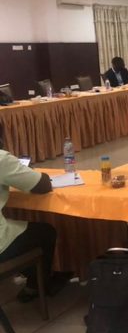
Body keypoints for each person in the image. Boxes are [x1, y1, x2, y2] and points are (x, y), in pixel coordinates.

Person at [0, 123, 67, 303]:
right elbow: (42, 185)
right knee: (45, 232)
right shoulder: (2, 159)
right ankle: (36, 286)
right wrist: (29, 172)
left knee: (18, 225)